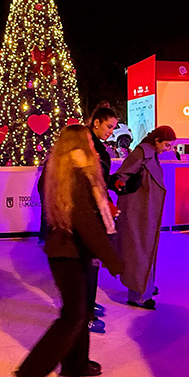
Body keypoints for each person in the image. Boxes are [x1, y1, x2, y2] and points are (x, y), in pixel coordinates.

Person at [14, 125, 123, 377]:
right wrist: (113, 259)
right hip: (69, 253)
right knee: (74, 314)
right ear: (78, 143)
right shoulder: (78, 172)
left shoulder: (64, 169)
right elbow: (85, 223)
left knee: (81, 310)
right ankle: (31, 371)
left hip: (71, 251)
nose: (92, 142)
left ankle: (76, 364)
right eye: (88, 139)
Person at [111, 125, 176, 309]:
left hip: (146, 210)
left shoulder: (151, 154)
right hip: (137, 211)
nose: (168, 149)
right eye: (167, 145)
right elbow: (122, 174)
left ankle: (144, 286)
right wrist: (119, 184)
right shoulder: (142, 153)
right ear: (157, 141)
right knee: (139, 250)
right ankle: (138, 294)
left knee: (145, 249)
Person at [84, 103, 119, 334]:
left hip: (95, 211)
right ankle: (83, 314)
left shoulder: (97, 146)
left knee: (92, 264)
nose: (111, 131)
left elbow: (100, 180)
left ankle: (87, 304)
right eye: (108, 126)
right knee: (87, 265)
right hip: (87, 214)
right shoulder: (86, 146)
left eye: (113, 128)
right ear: (96, 123)